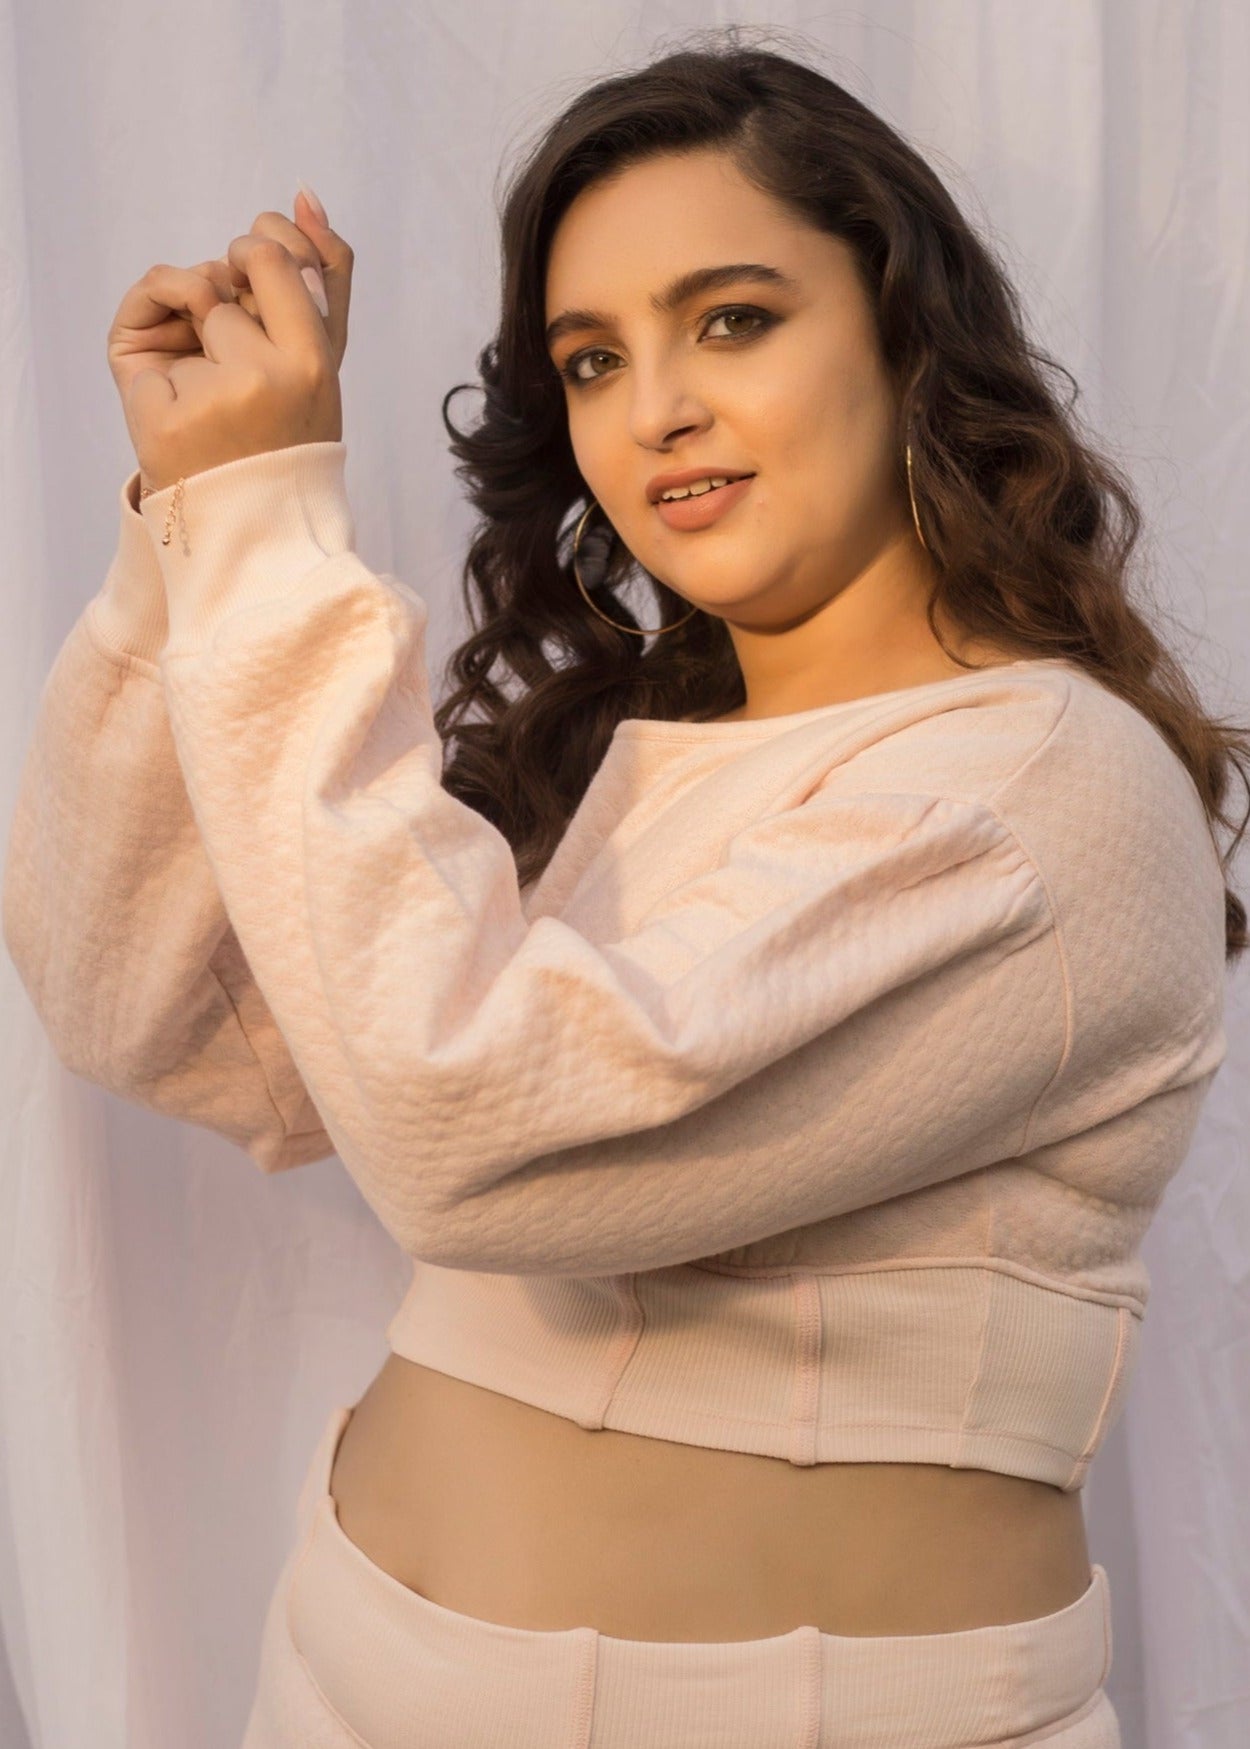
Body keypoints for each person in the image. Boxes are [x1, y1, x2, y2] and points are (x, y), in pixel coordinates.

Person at [5, 25, 1245, 1749]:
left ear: (906, 335)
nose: (655, 407)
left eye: (731, 319)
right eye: (591, 359)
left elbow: (466, 1137)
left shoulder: (1040, 787)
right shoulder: (638, 765)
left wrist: (268, 531)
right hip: (339, 1679)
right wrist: (186, 532)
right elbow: (145, 1001)